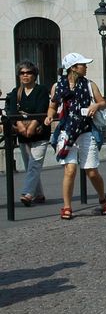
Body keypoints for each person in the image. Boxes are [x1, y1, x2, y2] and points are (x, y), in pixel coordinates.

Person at [45, 53, 106, 219]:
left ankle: (103, 199)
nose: (86, 67)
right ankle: (67, 207)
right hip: (67, 132)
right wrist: (49, 116)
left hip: (86, 130)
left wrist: (96, 105)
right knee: (70, 169)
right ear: (73, 68)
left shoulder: (89, 84)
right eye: (83, 64)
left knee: (92, 172)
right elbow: (53, 105)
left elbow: (103, 102)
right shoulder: (58, 86)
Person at [6, 61, 50, 207]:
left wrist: (32, 125)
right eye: (22, 73)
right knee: (30, 165)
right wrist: (19, 125)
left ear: (34, 75)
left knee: (34, 164)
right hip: (22, 134)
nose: (25, 75)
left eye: (28, 73)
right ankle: (39, 194)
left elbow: (42, 108)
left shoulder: (41, 90)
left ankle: (28, 193)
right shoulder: (16, 92)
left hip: (39, 133)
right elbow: (12, 111)